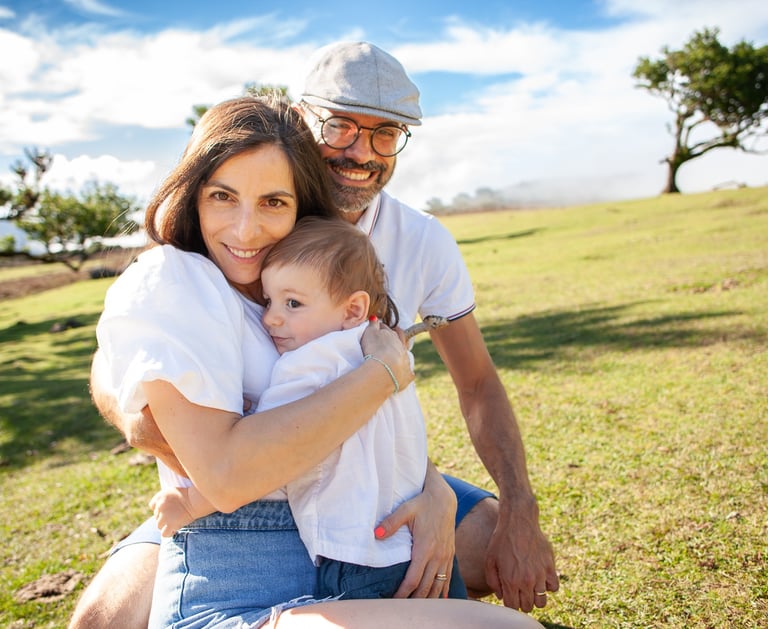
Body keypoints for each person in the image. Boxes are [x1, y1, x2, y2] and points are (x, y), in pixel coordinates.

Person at [70, 41, 558, 627]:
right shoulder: (233, 237)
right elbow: (131, 345)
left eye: (386, 133)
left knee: (480, 557)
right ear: (303, 120)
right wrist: (132, 410)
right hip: (237, 514)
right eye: (341, 125)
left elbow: (475, 382)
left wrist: (447, 491)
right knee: (102, 618)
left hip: (360, 476)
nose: (361, 150)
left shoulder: (382, 240)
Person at [150, 216, 467, 600]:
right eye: (268, 301)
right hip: (414, 540)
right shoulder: (388, 350)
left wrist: (189, 503)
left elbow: (269, 460)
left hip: (354, 553)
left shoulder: (310, 363)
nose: (271, 318)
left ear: (352, 309)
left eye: (293, 303)